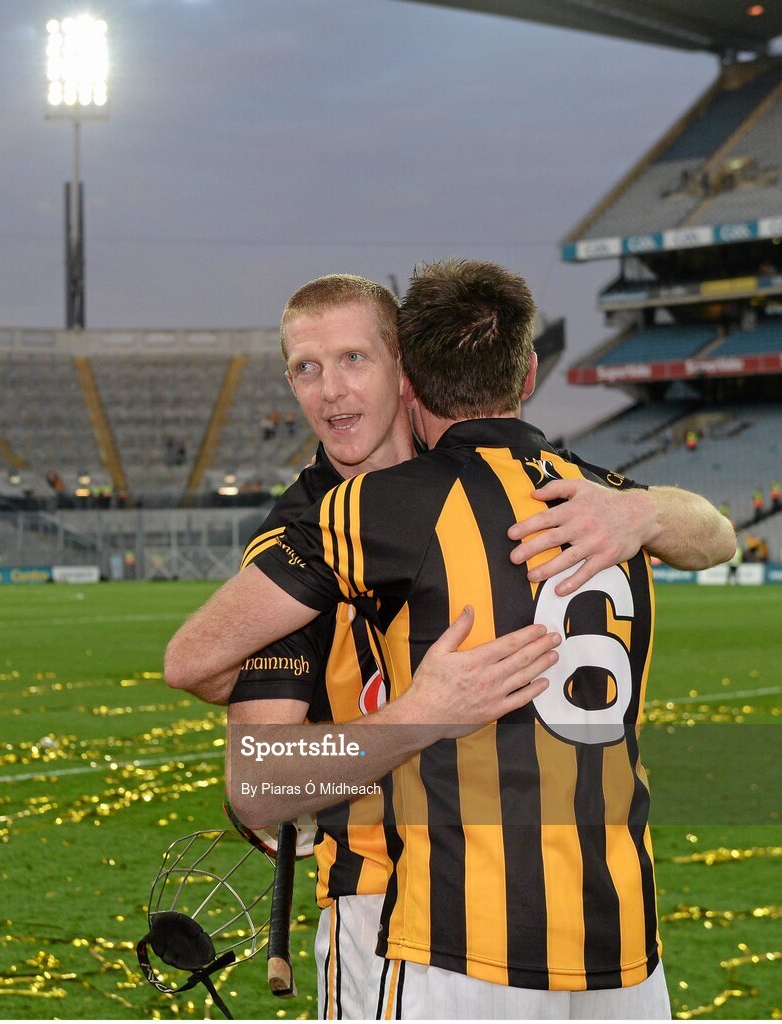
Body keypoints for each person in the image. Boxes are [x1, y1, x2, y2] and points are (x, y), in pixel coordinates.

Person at [166, 260, 735, 1019]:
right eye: (305, 368)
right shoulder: (300, 536)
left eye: (352, 359)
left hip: (542, 924)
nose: (330, 389)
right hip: (389, 912)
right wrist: (419, 714)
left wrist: (645, 512)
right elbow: (261, 783)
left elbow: (714, 532)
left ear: (408, 372)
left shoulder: (541, 491)